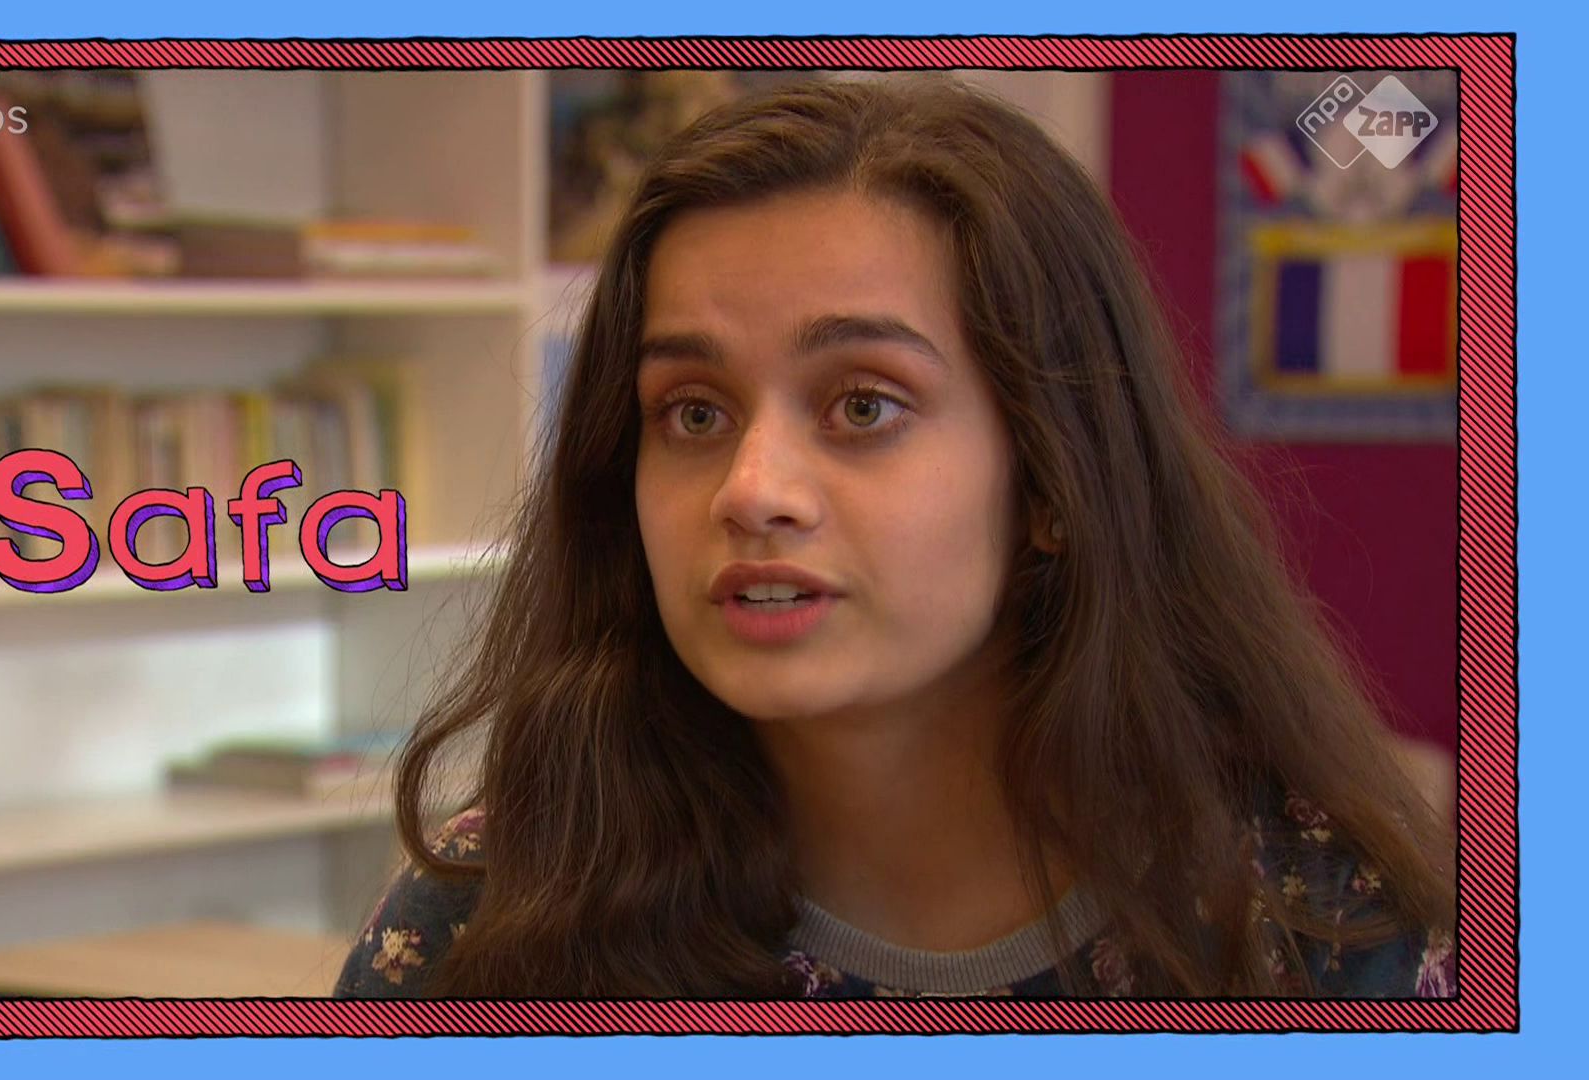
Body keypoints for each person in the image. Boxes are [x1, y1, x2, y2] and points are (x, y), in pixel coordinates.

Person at [331, 76, 1456, 999]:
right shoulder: (497, 909)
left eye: (863, 405)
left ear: (1053, 480)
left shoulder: (1312, 924)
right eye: (694, 414)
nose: (752, 491)